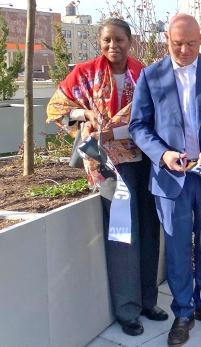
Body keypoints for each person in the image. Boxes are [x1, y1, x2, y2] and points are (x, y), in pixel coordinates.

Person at [46, 18, 166, 337]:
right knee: (123, 235)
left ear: (131, 41)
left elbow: (159, 115)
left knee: (149, 231)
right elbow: (56, 109)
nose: (113, 46)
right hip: (108, 164)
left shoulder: (145, 74)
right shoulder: (84, 73)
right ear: (100, 42)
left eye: (120, 40)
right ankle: (127, 310)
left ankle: (147, 300)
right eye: (107, 40)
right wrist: (84, 114)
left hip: (146, 160)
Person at [129, 14, 201, 347]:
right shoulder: (151, 76)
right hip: (170, 177)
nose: (185, 49)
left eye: (191, 43)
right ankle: (183, 311)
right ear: (167, 38)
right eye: (178, 43)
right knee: (177, 248)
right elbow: (138, 126)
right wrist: (162, 154)